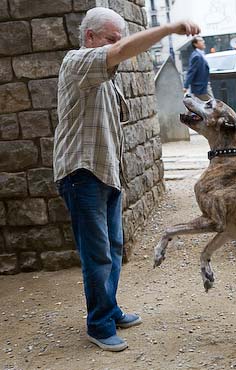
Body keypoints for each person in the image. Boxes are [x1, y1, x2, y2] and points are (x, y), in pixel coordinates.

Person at [53, 7, 199, 352]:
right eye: (110, 39)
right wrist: (168, 29)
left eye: (117, 39)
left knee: (113, 249)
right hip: (81, 174)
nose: (117, 46)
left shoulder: (104, 74)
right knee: (98, 255)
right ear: (90, 38)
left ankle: (110, 309)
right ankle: (99, 325)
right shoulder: (77, 62)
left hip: (104, 175)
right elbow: (120, 52)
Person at [183, 36, 212, 100]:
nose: (203, 42)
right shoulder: (196, 56)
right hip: (200, 88)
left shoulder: (200, 54)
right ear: (195, 44)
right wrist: (186, 86)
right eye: (201, 41)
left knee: (210, 104)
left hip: (204, 86)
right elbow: (191, 72)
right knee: (210, 105)